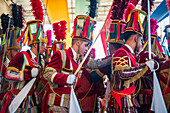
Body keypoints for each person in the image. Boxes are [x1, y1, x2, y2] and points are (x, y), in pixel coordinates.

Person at [107, 9, 159, 113]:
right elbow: (122, 73)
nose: (141, 43)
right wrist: (145, 67)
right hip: (122, 104)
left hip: (128, 101)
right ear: (136, 38)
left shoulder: (129, 54)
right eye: (140, 40)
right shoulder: (122, 52)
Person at [42, 15, 95, 113]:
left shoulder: (78, 59)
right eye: (86, 45)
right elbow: (47, 73)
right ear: (78, 43)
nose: (87, 49)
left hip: (70, 103)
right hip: (57, 103)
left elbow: (96, 64)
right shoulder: (61, 54)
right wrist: (66, 78)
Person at [0, 20, 47, 113]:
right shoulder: (21, 56)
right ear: (35, 44)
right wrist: (28, 74)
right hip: (17, 99)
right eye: (43, 44)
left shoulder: (41, 60)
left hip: (32, 100)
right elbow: (8, 74)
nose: (45, 47)